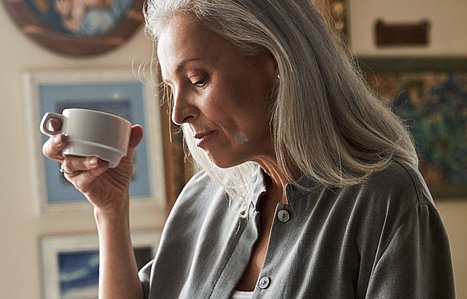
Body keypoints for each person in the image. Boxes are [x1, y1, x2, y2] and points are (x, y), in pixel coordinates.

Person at [42, 0, 455, 298]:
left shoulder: (386, 200)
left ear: (273, 61)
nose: (179, 114)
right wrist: (110, 212)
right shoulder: (202, 200)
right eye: (172, 88)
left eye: (199, 79)